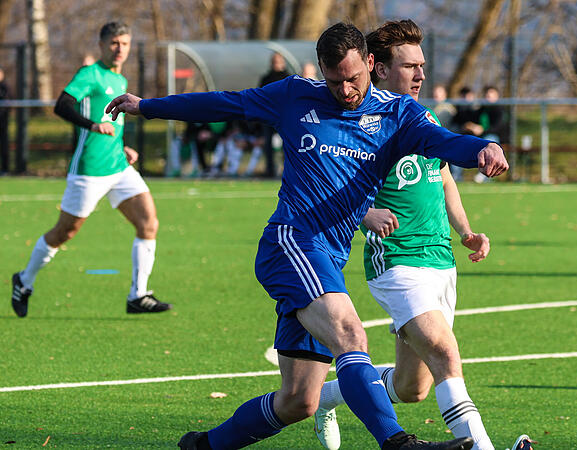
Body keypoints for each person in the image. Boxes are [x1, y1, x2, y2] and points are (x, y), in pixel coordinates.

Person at [106, 22, 508, 450]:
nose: (346, 90)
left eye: (353, 78)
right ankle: (397, 443)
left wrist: (480, 149)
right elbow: (225, 103)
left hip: (327, 258)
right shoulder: (296, 95)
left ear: (370, 64)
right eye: (335, 81)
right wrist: (148, 106)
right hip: (292, 242)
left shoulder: (398, 115)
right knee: (351, 335)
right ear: (322, 71)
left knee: (299, 400)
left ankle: (203, 446)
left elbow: (442, 141)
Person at [311, 19, 531, 450]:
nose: (420, 74)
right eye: (410, 66)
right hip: (396, 263)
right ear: (379, 69)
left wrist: (465, 230)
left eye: (422, 65)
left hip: (441, 263)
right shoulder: (360, 122)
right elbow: (325, 184)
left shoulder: (420, 117)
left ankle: (325, 396)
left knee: (414, 388)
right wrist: (364, 213)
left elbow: (444, 175)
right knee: (448, 356)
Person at [10, 22, 172, 318]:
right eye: (114, 43)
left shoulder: (119, 80)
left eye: (124, 42)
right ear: (102, 44)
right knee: (65, 232)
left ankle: (138, 295)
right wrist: (92, 126)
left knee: (149, 223)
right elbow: (62, 105)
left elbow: (114, 122)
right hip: (89, 170)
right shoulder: (90, 75)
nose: (119, 48)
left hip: (119, 168)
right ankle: (24, 280)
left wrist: (122, 147)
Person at [257, 52, 291, 177]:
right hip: (269, 116)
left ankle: (287, 170)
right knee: (268, 144)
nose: (276, 64)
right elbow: (260, 95)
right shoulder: (266, 78)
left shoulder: (288, 78)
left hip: (285, 116)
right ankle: (270, 169)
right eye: (274, 61)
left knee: (287, 144)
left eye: (278, 61)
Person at [0, 67, 10, 174]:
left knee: (4, 146)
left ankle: (5, 169)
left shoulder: (5, 87)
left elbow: (8, 102)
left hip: (3, 123)